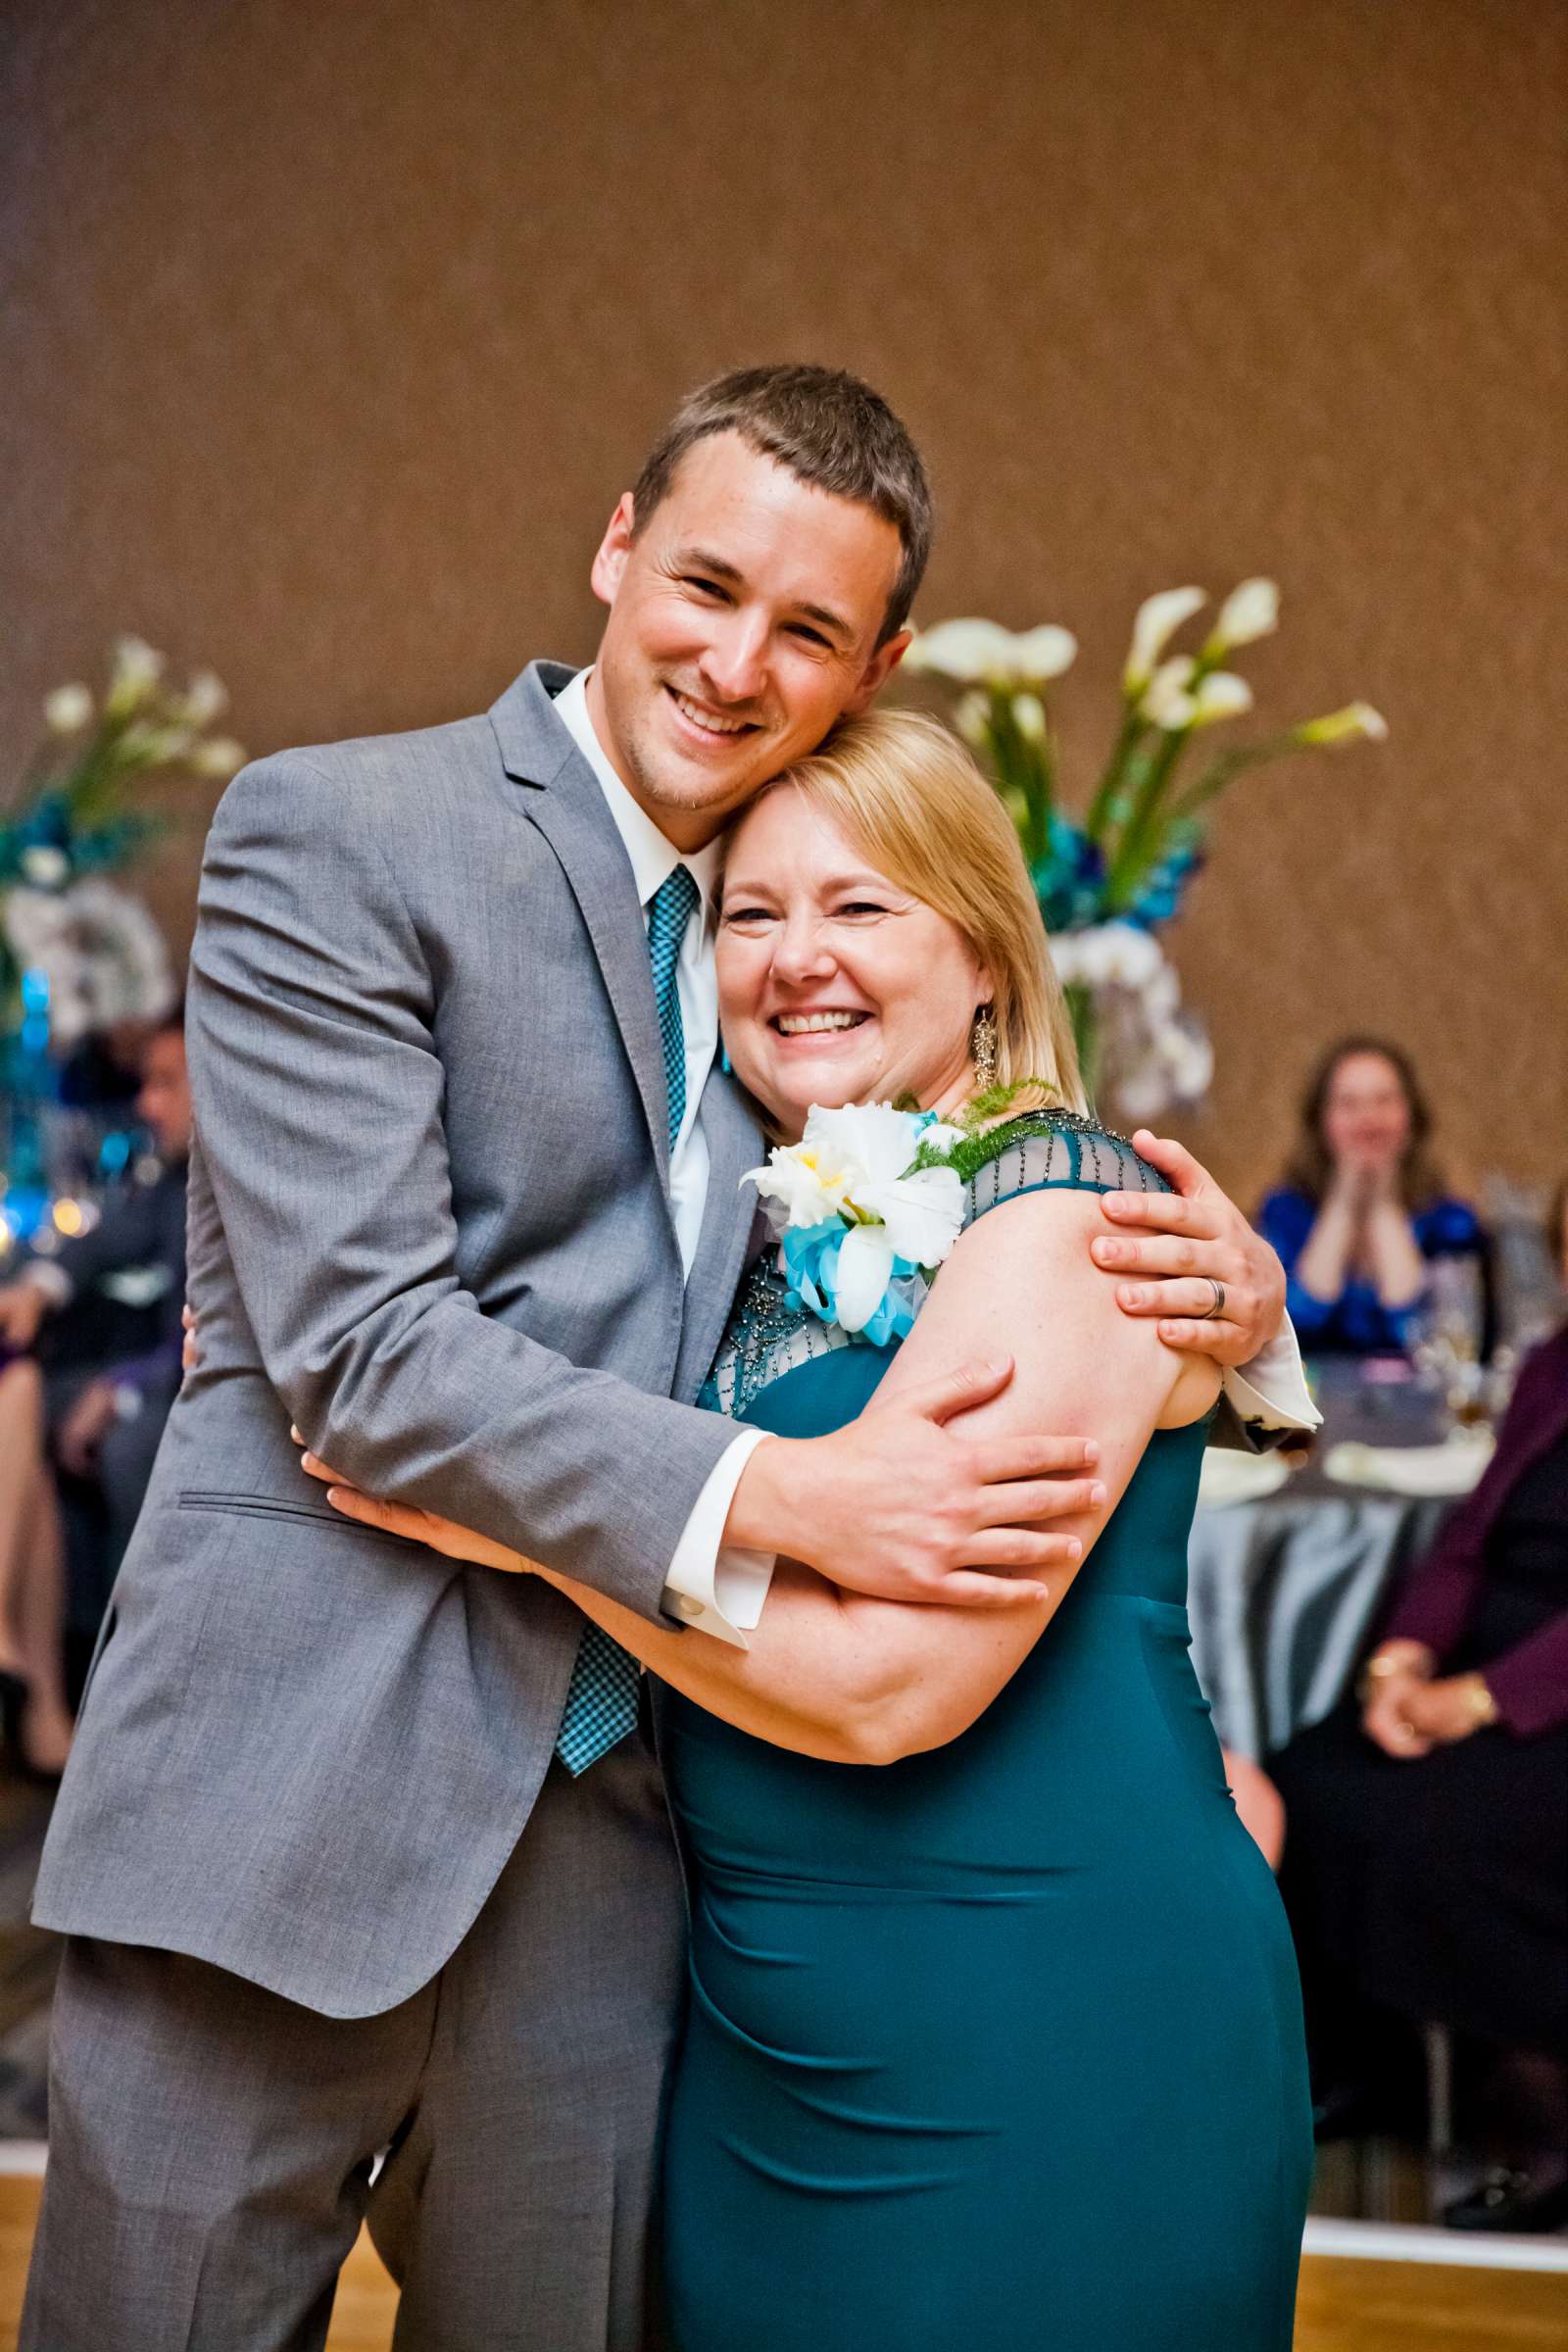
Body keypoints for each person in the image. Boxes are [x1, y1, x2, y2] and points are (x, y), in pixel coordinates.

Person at [23, 366, 1314, 2352]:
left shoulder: (808, 989)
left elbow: (1016, 1245)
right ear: (615, 550)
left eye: (806, 628)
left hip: (633, 1878)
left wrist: (1250, 1318)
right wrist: (798, 1494)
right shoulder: (344, 829)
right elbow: (361, 1355)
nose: (734, 660)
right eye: (704, 583)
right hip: (293, 1789)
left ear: (871, 663)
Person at [307, 709, 1313, 2351]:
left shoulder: (1066, 1210)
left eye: (862, 907)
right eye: (752, 914)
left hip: (1045, 2019)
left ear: (986, 953)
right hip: (760, 2039)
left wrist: (545, 1533)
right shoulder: (722, 1228)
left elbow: (887, 1693)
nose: (796, 959)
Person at [1270, 1186, 1568, 2230]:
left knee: (1441, 1832)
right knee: (1308, 1779)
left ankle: (1542, 2104)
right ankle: (1369, 2062)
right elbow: (1468, 1542)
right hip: (1483, 1661)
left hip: (1547, 1692)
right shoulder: (1549, 1365)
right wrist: (1403, 1663)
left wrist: (1478, 1701)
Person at [0, 1006, 192, 1776]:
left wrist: (125, 1386)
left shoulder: (244, 1176)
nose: (146, 1103)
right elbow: (99, 1237)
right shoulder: (165, 1177)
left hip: (189, 1379)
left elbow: (224, 1331)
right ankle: (44, 1705)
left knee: (82, 1419)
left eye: (167, 1083)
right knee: (23, 1394)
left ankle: (125, 1714)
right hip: (152, 1363)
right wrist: (41, 1287)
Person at [1259, 1037, 1488, 1356]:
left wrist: (1383, 1204)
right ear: (1322, 1121)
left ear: (1412, 1118)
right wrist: (1343, 1200)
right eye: (1349, 1104)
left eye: (1384, 1101)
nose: (1368, 1119)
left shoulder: (1450, 1223)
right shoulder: (1286, 1213)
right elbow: (1295, 1326)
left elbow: (1425, 1337)